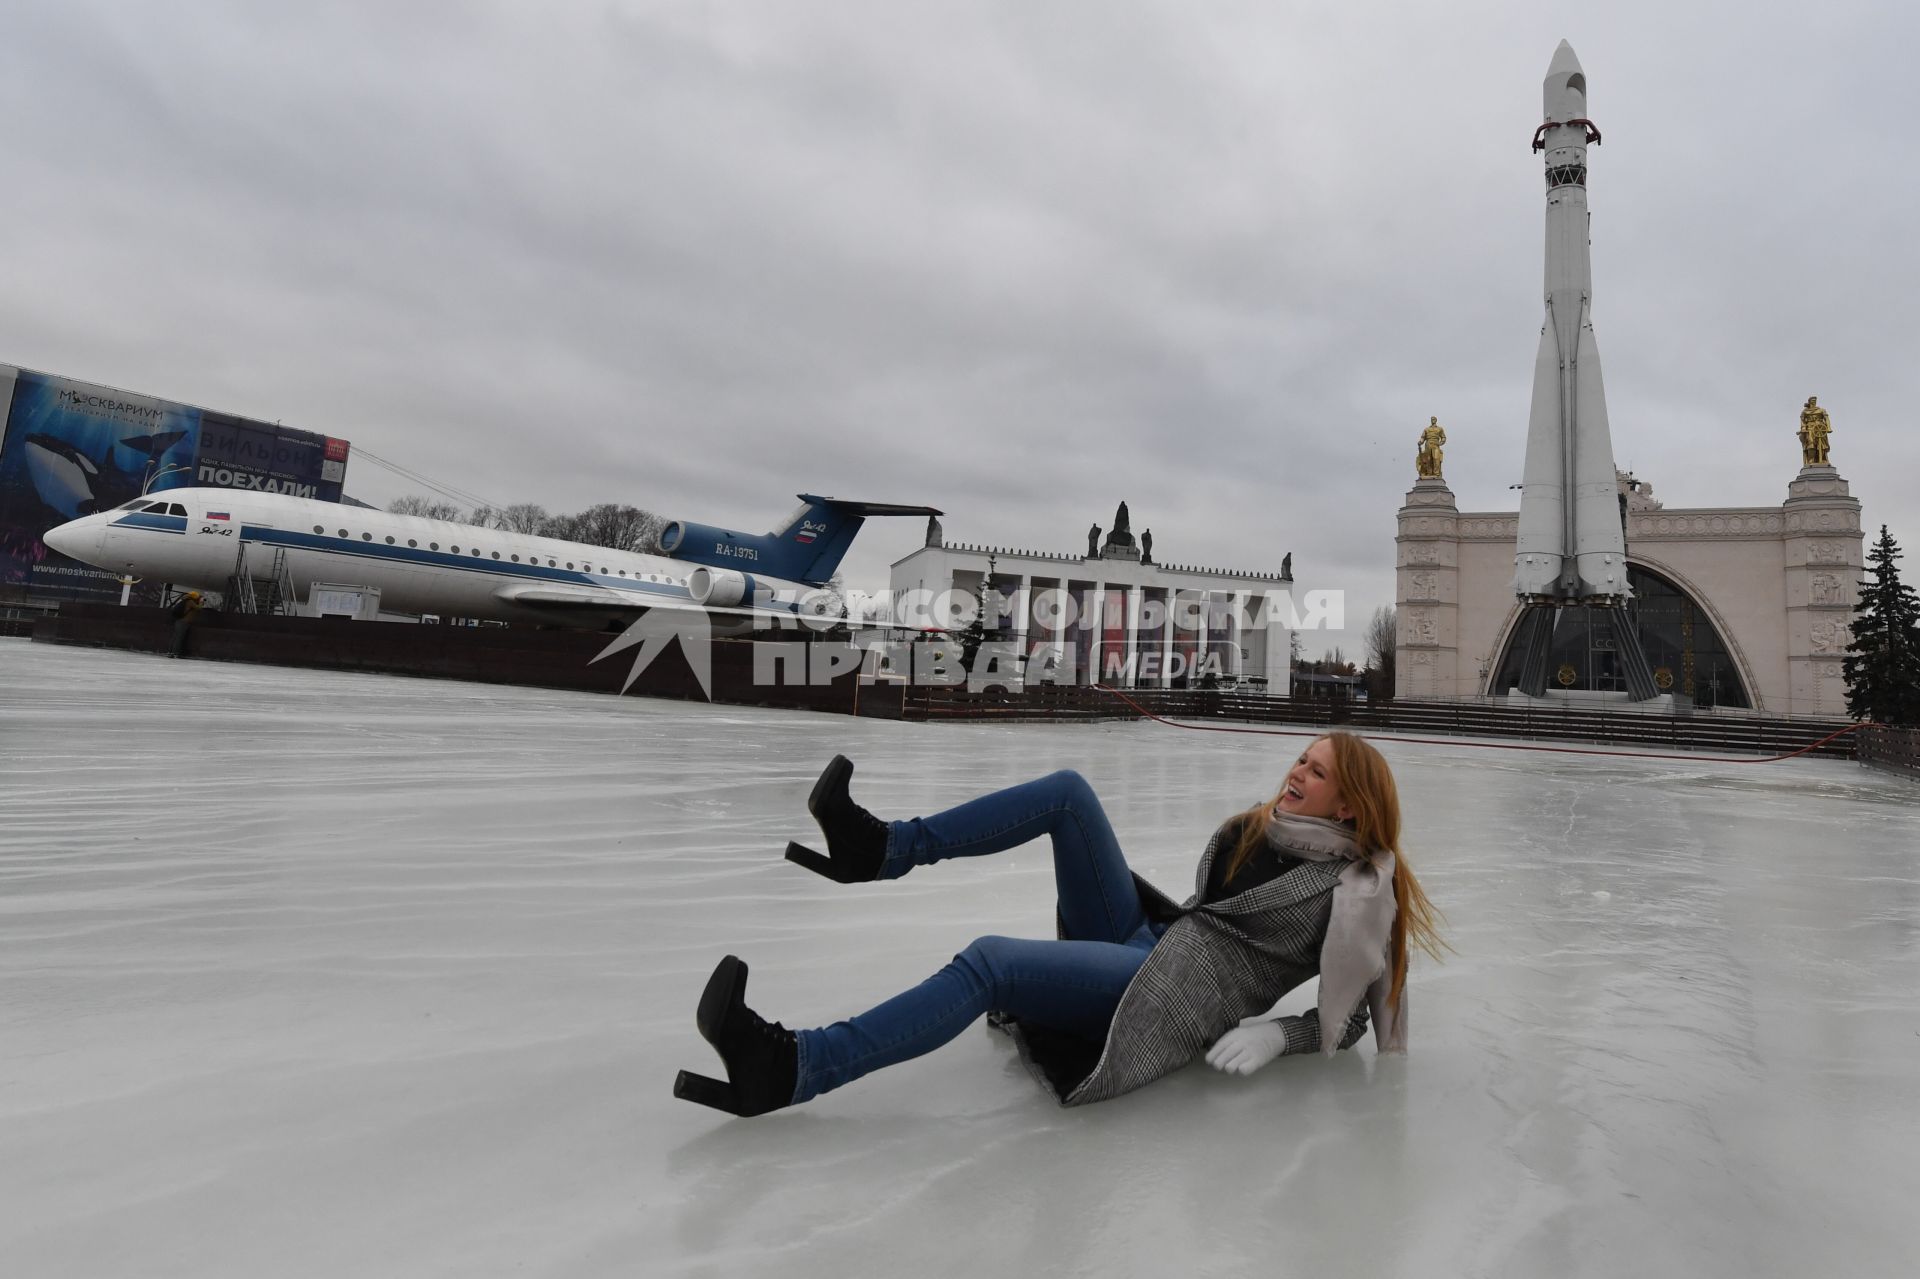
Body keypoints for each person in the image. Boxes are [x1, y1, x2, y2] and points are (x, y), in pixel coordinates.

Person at [673, 733, 1444, 1117]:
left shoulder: (1359, 889)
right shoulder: (1265, 828)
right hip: (1158, 942)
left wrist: (1283, 1034)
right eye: (1300, 760)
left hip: (1170, 998)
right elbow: (1203, 913)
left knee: (990, 963)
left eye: (1315, 771)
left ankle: (797, 1065)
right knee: (1068, 793)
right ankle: (880, 847)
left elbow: (1354, 1021)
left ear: (1348, 804)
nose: (1295, 773)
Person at [168, 590, 204, 658]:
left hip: (179, 621)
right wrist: (201, 601)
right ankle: (174, 653)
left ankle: (170, 652)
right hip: (183, 622)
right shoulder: (190, 602)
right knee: (179, 638)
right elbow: (199, 608)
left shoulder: (185, 600)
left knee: (175, 637)